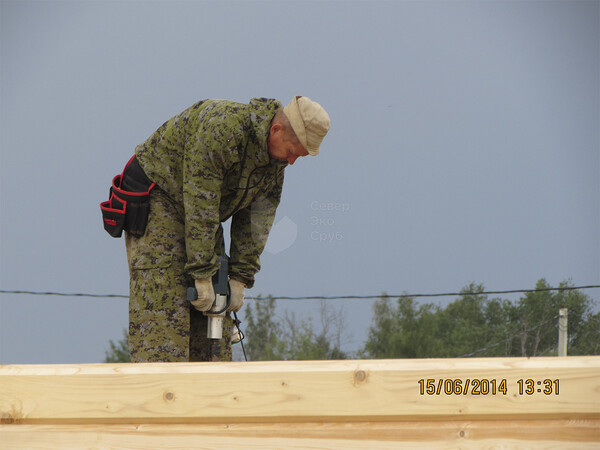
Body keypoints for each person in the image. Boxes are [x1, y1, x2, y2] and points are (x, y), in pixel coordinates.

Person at [101, 96, 330, 362]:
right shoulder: (224, 129)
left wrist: (240, 277)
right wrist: (201, 273)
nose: (291, 161)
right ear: (277, 130)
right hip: (162, 199)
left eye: (298, 157)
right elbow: (200, 198)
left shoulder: (273, 165)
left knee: (215, 314)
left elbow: (257, 220)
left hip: (202, 217)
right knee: (164, 325)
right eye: (293, 151)